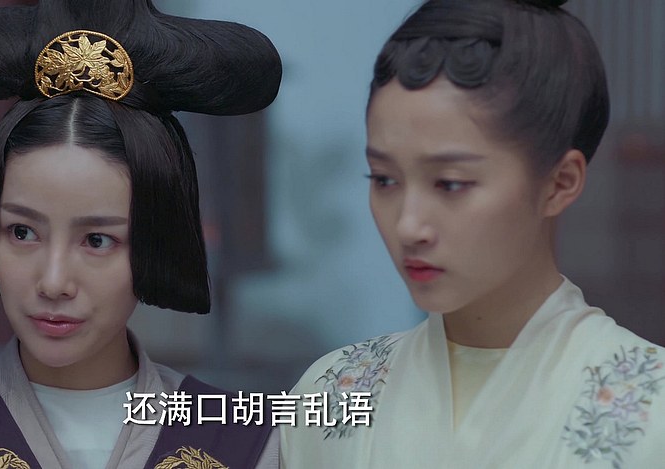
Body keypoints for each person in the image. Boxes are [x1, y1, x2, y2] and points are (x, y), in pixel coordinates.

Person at [0, 0, 281, 468]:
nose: (53, 282)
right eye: (22, 232)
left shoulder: (252, 447)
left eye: (97, 240)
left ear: (155, 243)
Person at [281, 0, 665, 467]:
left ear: (560, 183)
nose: (409, 226)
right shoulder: (332, 391)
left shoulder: (652, 409)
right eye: (384, 179)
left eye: (450, 183)